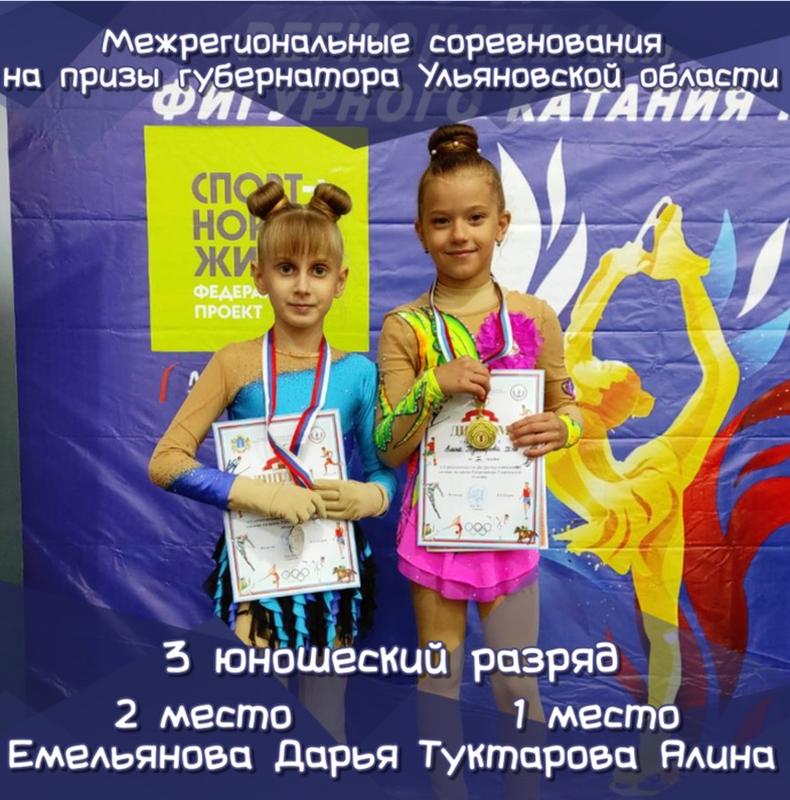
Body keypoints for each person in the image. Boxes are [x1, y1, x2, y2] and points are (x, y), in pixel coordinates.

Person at [149, 179, 396, 740]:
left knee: (326, 720)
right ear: (259, 276)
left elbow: (385, 472)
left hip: (332, 565)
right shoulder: (234, 363)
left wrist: (372, 495)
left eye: (318, 270)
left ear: (341, 281)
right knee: (260, 718)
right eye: (286, 269)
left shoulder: (358, 373)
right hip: (256, 563)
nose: (302, 286)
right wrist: (259, 493)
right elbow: (166, 462)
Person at [375, 123, 583, 721]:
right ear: (420, 232)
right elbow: (388, 446)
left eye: (474, 218)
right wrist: (431, 386)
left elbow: (569, 409)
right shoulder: (405, 327)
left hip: (508, 529)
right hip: (434, 531)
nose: (459, 234)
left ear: (501, 224)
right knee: (438, 682)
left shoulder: (535, 316)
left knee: (517, 686)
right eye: (441, 221)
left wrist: (563, 430)